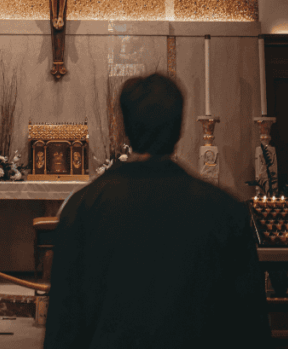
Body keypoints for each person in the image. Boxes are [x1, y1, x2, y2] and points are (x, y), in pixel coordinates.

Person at [44, 73, 270, 349]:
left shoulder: (81, 208)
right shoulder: (225, 212)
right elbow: (250, 328)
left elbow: (63, 329)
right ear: (179, 129)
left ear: (125, 127)